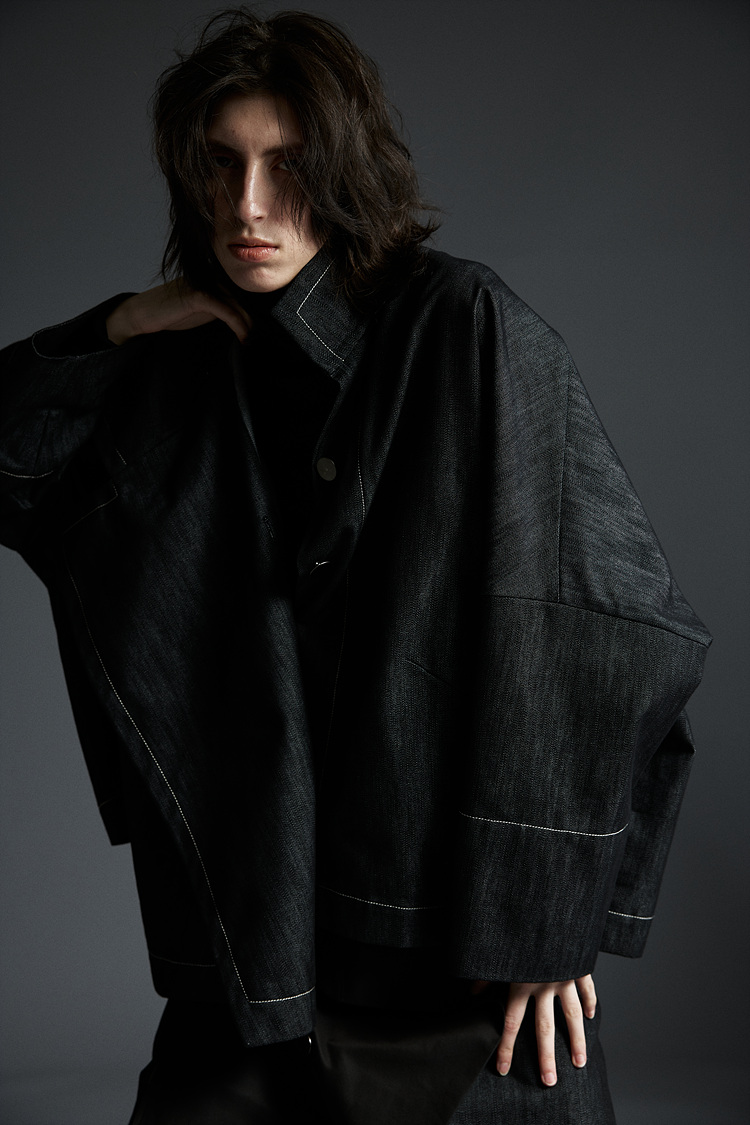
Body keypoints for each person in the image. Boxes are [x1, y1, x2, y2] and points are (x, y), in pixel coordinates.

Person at [0, 8, 711, 1123]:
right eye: (221, 164)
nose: (247, 205)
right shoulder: (174, 364)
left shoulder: (462, 325)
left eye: (285, 165)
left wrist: (545, 924)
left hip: (445, 962)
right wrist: (118, 326)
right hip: (247, 949)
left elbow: (592, 621)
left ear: (342, 169)